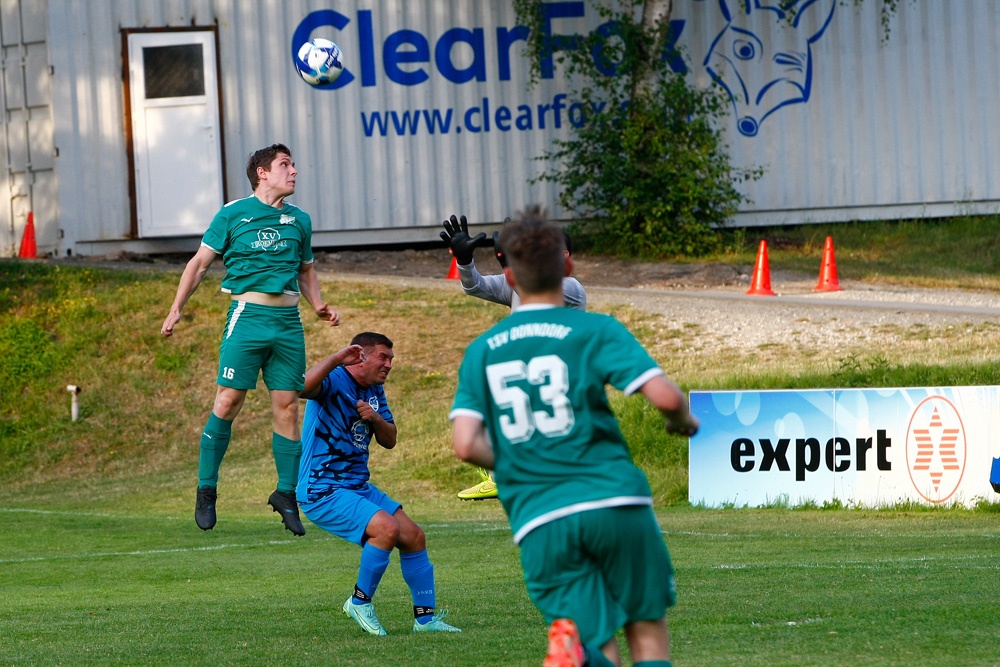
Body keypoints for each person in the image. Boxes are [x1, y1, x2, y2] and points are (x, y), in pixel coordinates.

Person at [449, 214, 698, 667]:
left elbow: (465, 444)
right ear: (566, 264)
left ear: (508, 272)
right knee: (645, 629)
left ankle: (584, 657)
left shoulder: (482, 350)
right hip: (612, 496)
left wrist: (518, 458)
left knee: (593, 636)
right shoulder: (593, 326)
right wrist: (682, 421)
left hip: (540, 512)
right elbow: (665, 396)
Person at [161, 143, 339, 536]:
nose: (294, 171)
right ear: (262, 172)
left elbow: (307, 270)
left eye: (293, 164)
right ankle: (207, 488)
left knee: (288, 407)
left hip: (288, 323)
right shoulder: (232, 214)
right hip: (248, 318)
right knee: (228, 401)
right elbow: (199, 264)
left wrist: (319, 305)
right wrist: (176, 307)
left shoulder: (300, 220)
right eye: (285, 165)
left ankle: (286, 494)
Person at [297, 332, 462, 636]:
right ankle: (359, 602)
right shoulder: (334, 379)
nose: (388, 365)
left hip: (357, 486)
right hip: (323, 489)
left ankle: (425, 621)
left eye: (391, 359)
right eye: (383, 357)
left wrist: (374, 418)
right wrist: (335, 357)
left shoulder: (374, 390)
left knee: (414, 536)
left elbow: (390, 440)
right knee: (386, 529)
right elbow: (301, 387)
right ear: (361, 356)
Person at [441, 212, 587, 501]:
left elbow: (530, 288)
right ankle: (503, 475)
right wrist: (464, 260)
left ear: (564, 256)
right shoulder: (520, 285)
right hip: (526, 376)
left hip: (557, 383)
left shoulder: (571, 287)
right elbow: (475, 286)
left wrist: (508, 260)